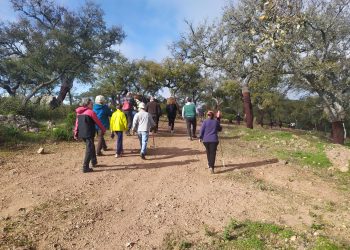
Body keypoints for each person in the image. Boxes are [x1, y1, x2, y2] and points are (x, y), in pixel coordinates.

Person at [74, 98, 106, 173]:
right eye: (91, 104)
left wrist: (76, 133)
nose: (92, 105)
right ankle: (85, 167)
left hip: (82, 133)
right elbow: (98, 122)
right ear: (87, 104)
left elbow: (77, 123)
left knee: (91, 146)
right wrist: (103, 129)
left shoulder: (79, 112)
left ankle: (94, 162)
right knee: (89, 148)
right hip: (89, 133)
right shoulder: (90, 112)